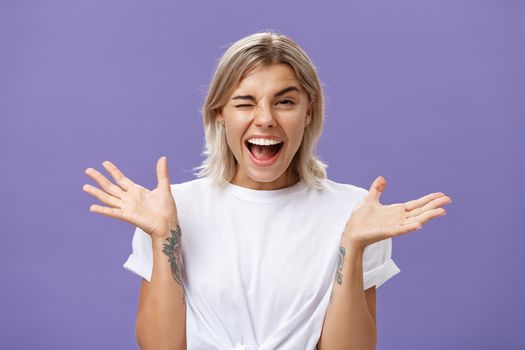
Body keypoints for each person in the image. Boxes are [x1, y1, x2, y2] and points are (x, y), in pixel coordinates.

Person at [82, 31, 451, 350]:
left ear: (309, 112)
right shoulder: (170, 211)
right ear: (219, 114)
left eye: (285, 101)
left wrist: (352, 245)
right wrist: (164, 236)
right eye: (245, 102)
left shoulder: (356, 212)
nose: (265, 118)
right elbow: (161, 346)